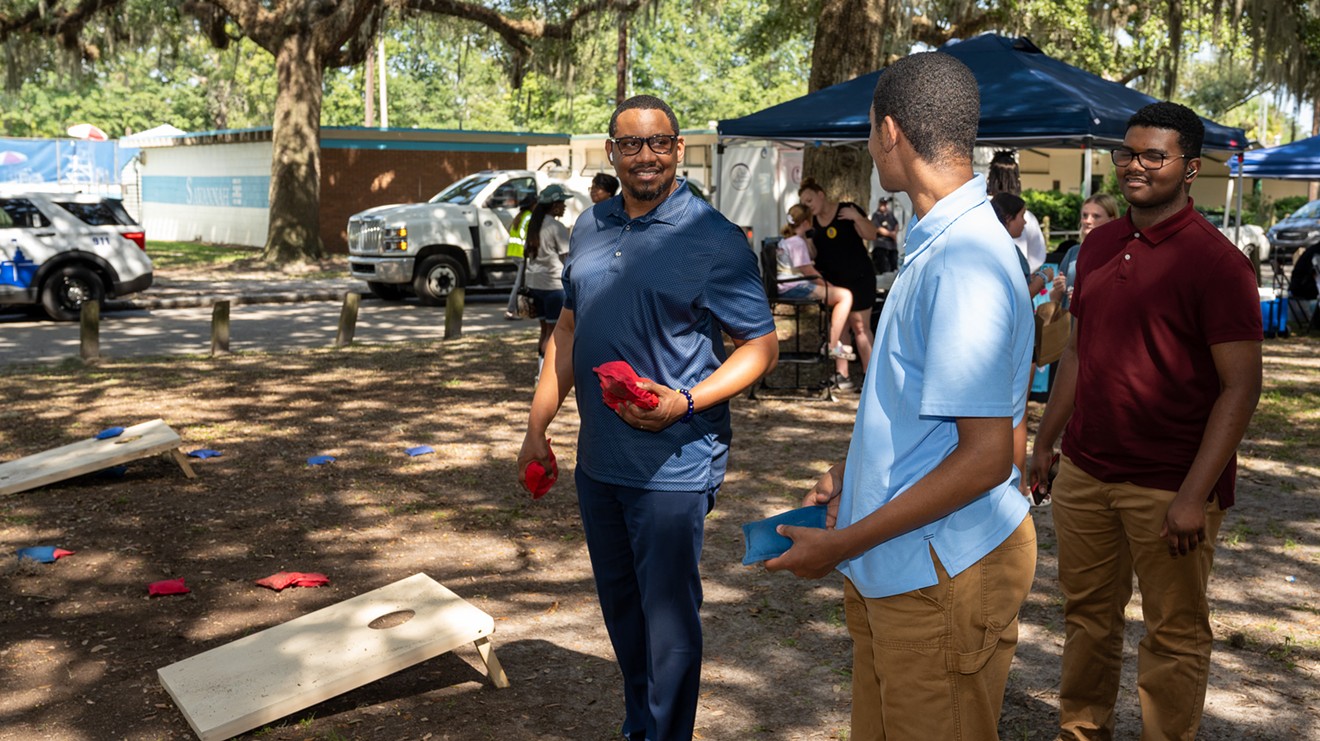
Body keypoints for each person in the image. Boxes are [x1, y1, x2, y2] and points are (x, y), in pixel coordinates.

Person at [766, 51, 1036, 739]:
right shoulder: (937, 243)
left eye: (866, 132)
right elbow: (924, 413)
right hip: (902, 566)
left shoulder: (965, 258)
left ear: (889, 132)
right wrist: (853, 476)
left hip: (940, 571)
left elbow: (986, 458)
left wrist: (846, 540)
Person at [517, 94, 778, 741]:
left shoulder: (713, 237)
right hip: (598, 463)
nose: (645, 156)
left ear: (678, 149)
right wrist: (535, 426)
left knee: (667, 625)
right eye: (630, 144)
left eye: (658, 142)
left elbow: (761, 344)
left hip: (675, 463)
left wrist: (686, 401)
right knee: (624, 616)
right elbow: (569, 330)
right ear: (611, 151)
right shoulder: (589, 226)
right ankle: (643, 726)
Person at [1030, 102, 1263, 741]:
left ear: (1189, 169)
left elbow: (1241, 389)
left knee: (1175, 634)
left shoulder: (1217, 263)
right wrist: (1047, 443)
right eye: (1127, 153)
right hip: (1085, 472)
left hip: (1170, 486)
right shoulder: (1099, 243)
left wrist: (1193, 496)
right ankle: (1081, 732)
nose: (1135, 166)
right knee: (1087, 620)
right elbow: (1079, 350)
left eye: (1153, 156)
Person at [798, 177, 877, 391]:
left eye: (810, 200)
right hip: (834, 284)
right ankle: (842, 375)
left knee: (860, 327)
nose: (808, 206)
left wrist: (857, 217)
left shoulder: (847, 210)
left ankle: (870, 377)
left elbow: (871, 234)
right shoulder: (811, 222)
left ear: (821, 195)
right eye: (804, 203)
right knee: (839, 328)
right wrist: (805, 240)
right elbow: (813, 254)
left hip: (859, 278)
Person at [777, 203, 856, 361]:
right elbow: (808, 271)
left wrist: (807, 238)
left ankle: (833, 342)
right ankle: (832, 345)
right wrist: (829, 286)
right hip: (794, 285)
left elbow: (812, 255)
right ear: (807, 222)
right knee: (845, 296)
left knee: (840, 296)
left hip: (786, 284)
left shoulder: (791, 240)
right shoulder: (797, 243)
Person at [522, 184, 572, 379]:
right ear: (554, 205)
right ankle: (544, 376)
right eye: (562, 202)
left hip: (535, 283)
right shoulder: (555, 227)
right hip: (553, 284)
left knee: (544, 330)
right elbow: (567, 257)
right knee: (553, 333)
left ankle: (539, 371)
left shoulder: (535, 224)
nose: (565, 206)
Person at [1055, 193, 1119, 309]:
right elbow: (1056, 299)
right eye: (1084, 215)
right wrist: (1059, 288)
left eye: (1096, 216)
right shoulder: (1073, 252)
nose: (1087, 221)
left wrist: (1084, 298)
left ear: (1111, 219)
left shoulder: (1120, 254)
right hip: (1070, 322)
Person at [988, 150, 1048, 272]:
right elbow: (1037, 257)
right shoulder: (1028, 217)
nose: (1024, 222)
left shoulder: (979, 209)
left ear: (991, 177)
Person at [504, 193, 538, 320]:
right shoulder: (529, 217)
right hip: (522, 253)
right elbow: (528, 235)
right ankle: (511, 310)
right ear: (532, 205)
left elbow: (510, 230)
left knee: (524, 282)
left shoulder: (519, 216)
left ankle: (525, 309)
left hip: (513, 251)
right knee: (519, 283)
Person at [869, 196, 899, 273]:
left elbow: (896, 224)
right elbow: (878, 228)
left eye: (885, 204)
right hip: (881, 245)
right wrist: (891, 234)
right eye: (882, 204)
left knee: (894, 269)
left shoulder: (890, 214)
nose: (884, 206)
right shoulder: (876, 215)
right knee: (883, 270)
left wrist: (895, 232)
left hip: (892, 246)